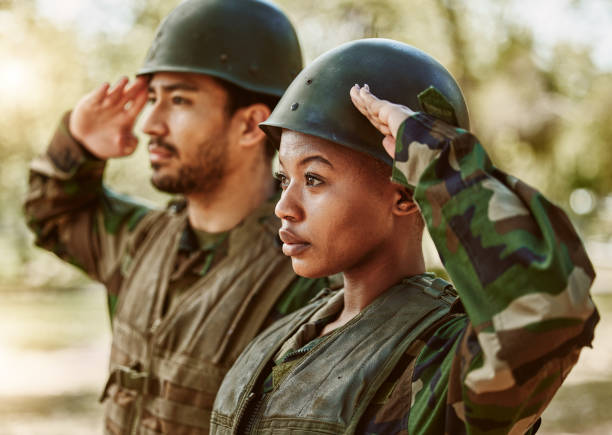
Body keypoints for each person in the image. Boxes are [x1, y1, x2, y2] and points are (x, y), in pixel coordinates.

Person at [210, 38, 599, 434]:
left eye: (313, 179)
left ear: (406, 194)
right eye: (283, 178)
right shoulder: (282, 336)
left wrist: (431, 154)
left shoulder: (441, 360)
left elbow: (550, 305)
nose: (284, 206)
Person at [23, 0, 330, 433]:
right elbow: (52, 215)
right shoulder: (140, 240)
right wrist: (78, 144)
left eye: (179, 100)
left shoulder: (310, 279)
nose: (151, 123)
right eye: (153, 98)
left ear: (249, 125)